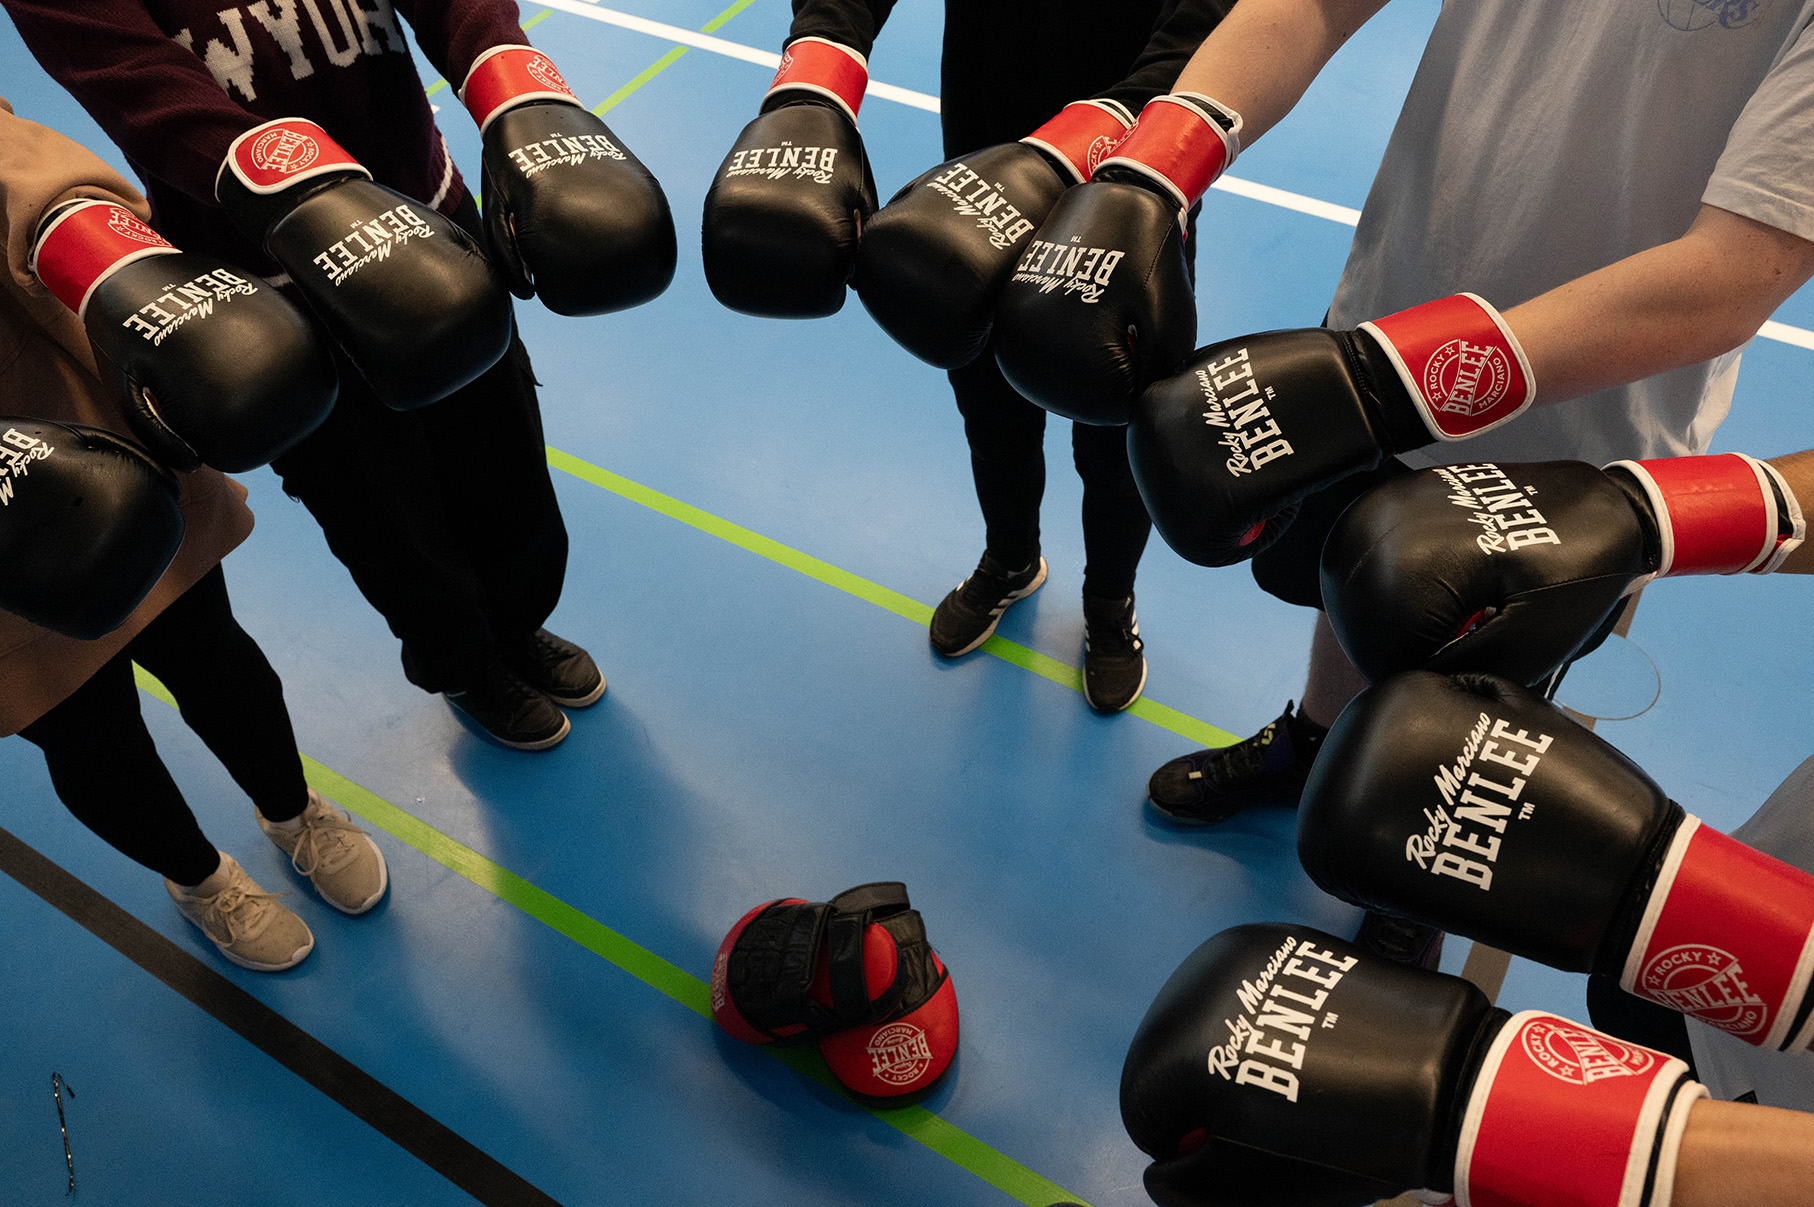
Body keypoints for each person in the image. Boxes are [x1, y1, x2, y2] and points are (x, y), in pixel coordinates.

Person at [1090, 0, 1814, 819]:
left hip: (1591, 411)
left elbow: (1739, 270)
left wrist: (1380, 382)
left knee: (1484, 679)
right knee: (1349, 573)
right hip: (1398, 307)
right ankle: (1314, 743)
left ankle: (1411, 849)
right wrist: (1154, 168)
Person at [2, 0, 630, 751]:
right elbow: (133, 79)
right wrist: (310, 191)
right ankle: (464, 664)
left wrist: (512, 83)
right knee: (383, 516)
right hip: (262, 293)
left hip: (428, 217)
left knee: (505, 461)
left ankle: (519, 623)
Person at [700, 0, 1233, 713]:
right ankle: (1012, 558)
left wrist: (1093, 137)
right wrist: (818, 70)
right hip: (981, 161)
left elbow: (1212, 20)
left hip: (1137, 171)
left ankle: (1109, 602)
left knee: (1117, 425)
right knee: (988, 402)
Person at [0, 99, 386, 971]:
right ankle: (200, 879)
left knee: (212, 651)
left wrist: (99, 252)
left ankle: (294, 812)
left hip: (68, 406)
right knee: (80, 725)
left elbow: (8, 158)